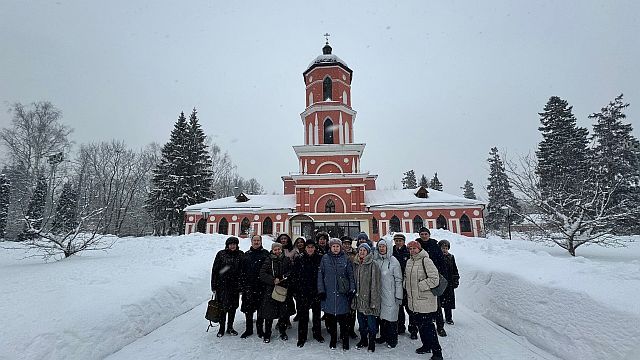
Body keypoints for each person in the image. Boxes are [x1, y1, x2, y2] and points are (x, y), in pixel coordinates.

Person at [404, 240, 443, 360]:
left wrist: (420, 285)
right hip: (414, 300)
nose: (412, 251)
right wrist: (406, 284)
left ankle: (437, 352)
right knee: (421, 325)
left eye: (414, 248)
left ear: (419, 249)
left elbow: (434, 279)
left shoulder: (426, 260)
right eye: (410, 249)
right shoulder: (410, 261)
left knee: (428, 327)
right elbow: (406, 277)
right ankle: (426, 346)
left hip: (425, 299)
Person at [317, 238, 355, 350]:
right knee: (331, 320)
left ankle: (345, 339)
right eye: (333, 246)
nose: (335, 248)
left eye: (337, 246)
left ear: (340, 247)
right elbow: (320, 275)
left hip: (342, 293)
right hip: (329, 294)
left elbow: (350, 275)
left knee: (344, 320)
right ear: (330, 247)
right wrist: (321, 290)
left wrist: (352, 289)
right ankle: (333, 338)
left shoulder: (346, 258)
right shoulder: (325, 258)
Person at [290, 239, 324, 347]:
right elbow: (294, 275)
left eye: (312, 247)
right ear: (305, 248)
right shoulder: (299, 259)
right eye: (308, 247)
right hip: (302, 291)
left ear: (315, 248)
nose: (310, 249)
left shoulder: (320, 259)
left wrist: (322, 290)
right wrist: (295, 290)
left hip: (316, 291)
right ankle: (302, 337)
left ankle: (317, 334)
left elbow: (323, 275)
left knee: (316, 315)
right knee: (303, 316)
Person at [417, 227, 449, 337]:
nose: (424, 236)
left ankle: (440, 327)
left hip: (433, 279)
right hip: (421, 280)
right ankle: (423, 327)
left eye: (426, 234)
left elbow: (441, 262)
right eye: (422, 234)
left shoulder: (435, 245)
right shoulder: (417, 246)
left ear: (429, 234)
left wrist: (442, 277)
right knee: (421, 305)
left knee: (436, 305)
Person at [258, 242, 292, 343]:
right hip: (270, 290)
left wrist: (282, 278)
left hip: (283, 289)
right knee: (269, 313)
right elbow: (262, 273)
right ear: (272, 250)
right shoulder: (268, 260)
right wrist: (272, 280)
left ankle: (283, 331)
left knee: (283, 313)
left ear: (281, 250)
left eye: (279, 249)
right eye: (275, 250)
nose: (277, 251)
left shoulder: (286, 260)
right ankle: (268, 333)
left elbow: (290, 271)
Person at [211, 236, 244, 337]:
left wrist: (241, 286)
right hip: (222, 286)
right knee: (222, 307)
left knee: (233, 307)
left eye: (234, 244)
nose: (232, 246)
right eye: (231, 244)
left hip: (235, 286)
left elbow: (243, 271)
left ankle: (230, 327)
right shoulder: (221, 254)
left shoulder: (240, 254)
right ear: (227, 245)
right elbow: (215, 270)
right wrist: (214, 285)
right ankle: (221, 328)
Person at [373, 238, 403, 349]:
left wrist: (399, 295)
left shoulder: (393, 261)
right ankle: (383, 337)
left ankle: (393, 339)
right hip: (379, 294)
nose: (381, 248)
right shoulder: (377, 260)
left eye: (383, 246)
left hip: (391, 294)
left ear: (388, 247)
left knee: (391, 319)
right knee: (382, 318)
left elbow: (398, 279)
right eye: (380, 246)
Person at [239, 234, 270, 339]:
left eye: (258, 240)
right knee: (248, 309)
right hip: (249, 287)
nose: (256, 242)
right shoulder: (246, 255)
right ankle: (248, 330)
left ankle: (260, 330)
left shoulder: (266, 254)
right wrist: (242, 285)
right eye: (254, 240)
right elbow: (242, 271)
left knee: (261, 309)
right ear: (251, 242)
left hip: (261, 287)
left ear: (261, 242)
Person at [352, 242, 381, 352]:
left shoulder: (373, 264)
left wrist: (373, 300)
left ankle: (372, 342)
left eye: (364, 250)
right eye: (360, 250)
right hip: (359, 299)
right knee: (361, 322)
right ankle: (363, 340)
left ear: (368, 252)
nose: (362, 252)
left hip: (369, 299)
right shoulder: (356, 263)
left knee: (371, 323)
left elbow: (375, 284)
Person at [392, 233, 416, 338]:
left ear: (403, 241)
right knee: (399, 307)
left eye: (400, 240)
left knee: (410, 308)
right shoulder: (391, 252)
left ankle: (413, 329)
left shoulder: (408, 252)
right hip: (396, 284)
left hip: (407, 284)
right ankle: (400, 327)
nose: (398, 242)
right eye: (396, 240)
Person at [437, 239, 460, 325]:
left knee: (448, 302)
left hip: (449, 283)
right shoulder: (437, 257)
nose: (444, 250)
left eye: (446, 248)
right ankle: (437, 317)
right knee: (438, 302)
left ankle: (449, 318)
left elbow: (455, 269)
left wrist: (456, 279)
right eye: (443, 248)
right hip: (439, 283)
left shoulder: (451, 257)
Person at [341, 236, 358, 340]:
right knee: (342, 309)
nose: (346, 245)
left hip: (353, 283)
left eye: (348, 243)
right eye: (345, 243)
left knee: (352, 309)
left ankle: (351, 330)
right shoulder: (339, 254)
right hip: (342, 284)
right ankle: (344, 330)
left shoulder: (355, 254)